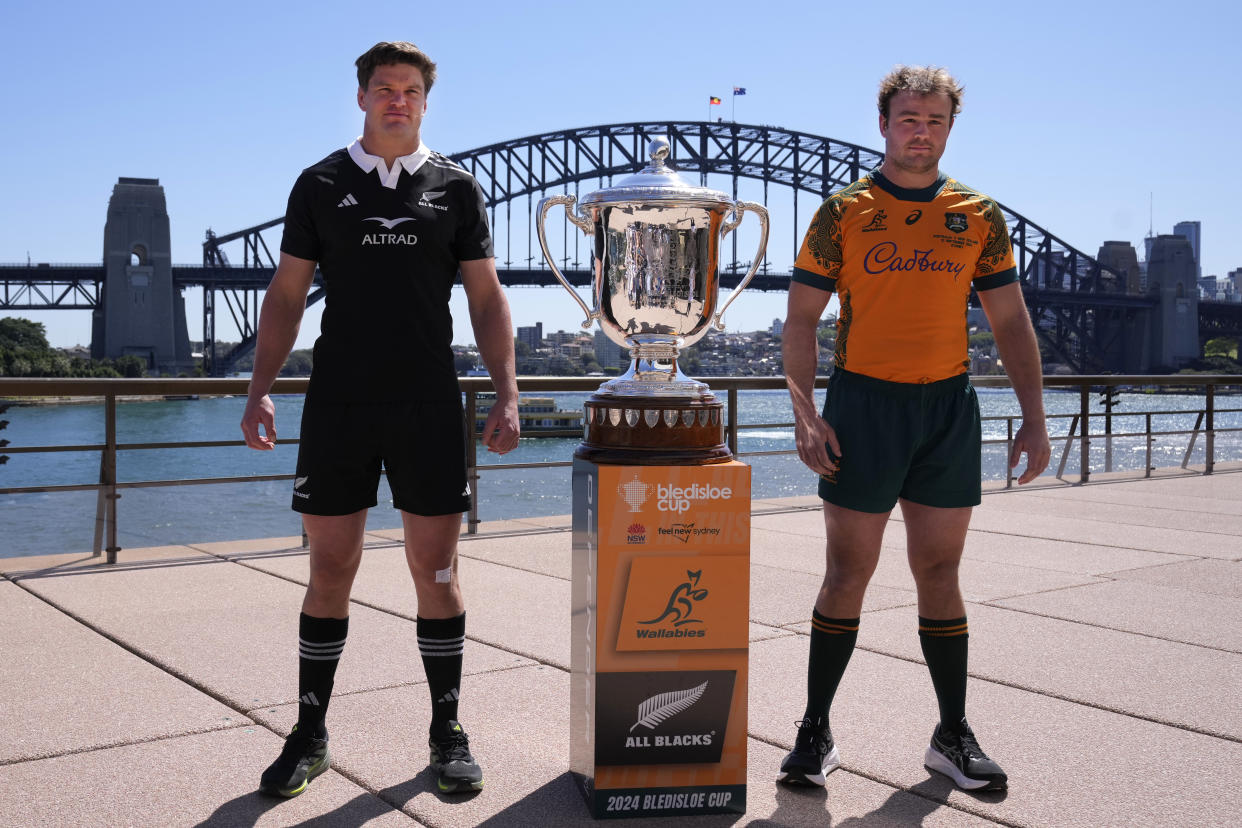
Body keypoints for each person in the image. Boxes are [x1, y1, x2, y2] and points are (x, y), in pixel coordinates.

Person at [240, 41, 520, 798]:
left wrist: (508, 390)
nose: (397, 100)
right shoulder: (320, 183)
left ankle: (448, 731)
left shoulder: (456, 188)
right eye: (383, 89)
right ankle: (309, 733)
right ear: (361, 97)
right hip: (339, 402)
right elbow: (287, 296)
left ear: (426, 101)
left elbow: (488, 299)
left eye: (410, 90)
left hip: (429, 401)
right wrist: (260, 386)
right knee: (330, 570)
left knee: (437, 572)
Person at [778, 65, 1050, 793]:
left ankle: (950, 733)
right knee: (848, 572)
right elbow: (801, 320)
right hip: (865, 407)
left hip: (948, 409)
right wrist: (806, 414)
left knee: (939, 573)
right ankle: (814, 729)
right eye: (907, 118)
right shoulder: (844, 211)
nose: (919, 130)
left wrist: (1034, 417)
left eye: (933, 119)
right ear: (884, 124)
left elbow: (1012, 321)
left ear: (948, 129)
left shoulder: (979, 214)